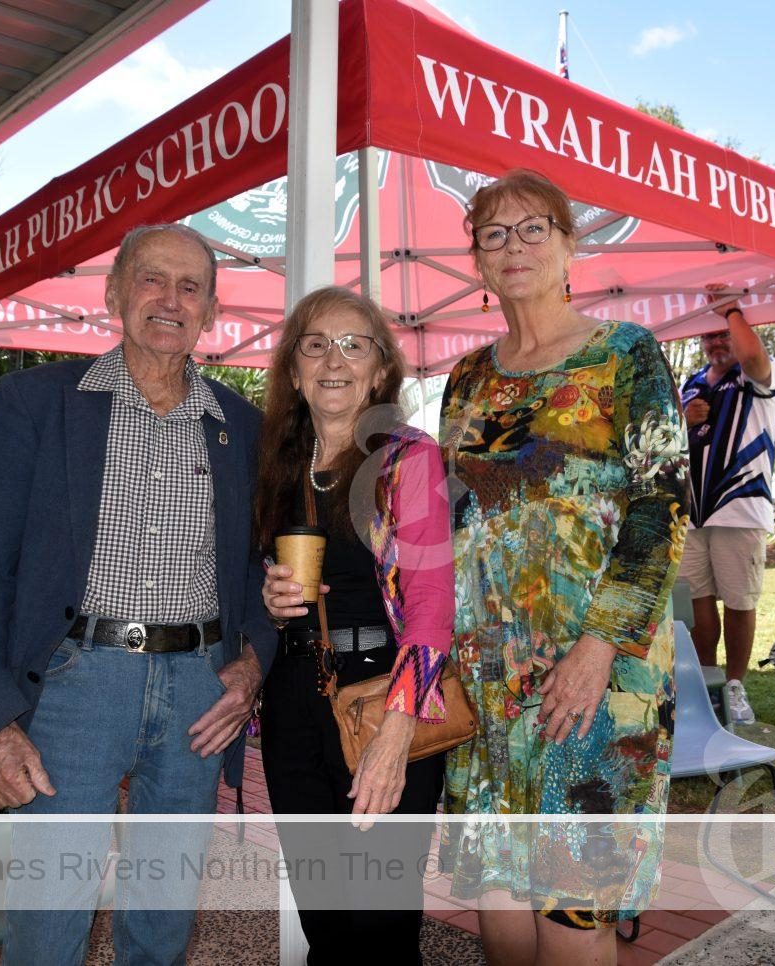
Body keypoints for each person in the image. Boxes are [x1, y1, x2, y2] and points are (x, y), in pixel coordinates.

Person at [0, 224, 275, 965]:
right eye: (152, 279)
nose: (171, 299)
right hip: (73, 684)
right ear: (115, 292)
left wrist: (251, 664)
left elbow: (257, 570)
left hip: (199, 688)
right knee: (50, 912)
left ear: (212, 310)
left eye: (191, 287)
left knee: (162, 910)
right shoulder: (35, 403)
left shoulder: (241, 425)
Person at [438, 169, 687, 966]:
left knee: (573, 912)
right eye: (493, 234)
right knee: (503, 907)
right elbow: (455, 515)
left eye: (532, 228)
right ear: (476, 259)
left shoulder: (626, 355)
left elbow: (662, 509)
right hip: (487, 678)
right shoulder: (467, 380)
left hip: (595, 675)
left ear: (570, 243)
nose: (513, 247)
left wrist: (598, 647)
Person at [258, 285, 454, 964]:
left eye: (353, 344)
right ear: (292, 370)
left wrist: (398, 734)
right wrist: (269, 594)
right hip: (294, 697)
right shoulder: (279, 468)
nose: (332, 360)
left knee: (381, 926)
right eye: (314, 345)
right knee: (326, 923)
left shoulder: (407, 459)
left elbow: (432, 607)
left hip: (386, 700)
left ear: (379, 370)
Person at [679, 290, 775, 725]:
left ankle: (735, 685)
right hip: (694, 511)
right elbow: (669, 443)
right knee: (696, 599)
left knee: (739, 599)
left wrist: (733, 312)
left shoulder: (758, 372)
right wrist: (683, 419)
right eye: (710, 336)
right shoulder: (692, 383)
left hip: (740, 506)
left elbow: (753, 357)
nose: (717, 343)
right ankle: (709, 682)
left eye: (724, 335)